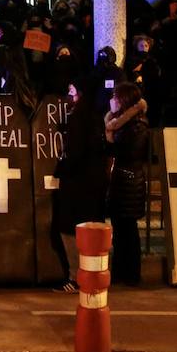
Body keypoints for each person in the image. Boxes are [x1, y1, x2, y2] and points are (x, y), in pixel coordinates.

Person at [51, 81, 109, 292]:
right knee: (90, 230)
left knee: (68, 228)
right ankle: (93, 276)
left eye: (72, 90)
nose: (69, 93)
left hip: (78, 183)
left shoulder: (79, 119)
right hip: (94, 183)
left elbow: (75, 153)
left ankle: (75, 276)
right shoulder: (96, 117)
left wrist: (60, 169)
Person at [105, 81, 149, 286]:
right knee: (120, 230)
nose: (112, 100)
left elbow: (128, 153)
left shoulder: (137, 125)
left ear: (124, 101)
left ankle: (131, 274)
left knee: (128, 230)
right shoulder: (119, 123)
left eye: (116, 97)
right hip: (121, 180)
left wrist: (110, 141)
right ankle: (122, 271)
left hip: (130, 182)